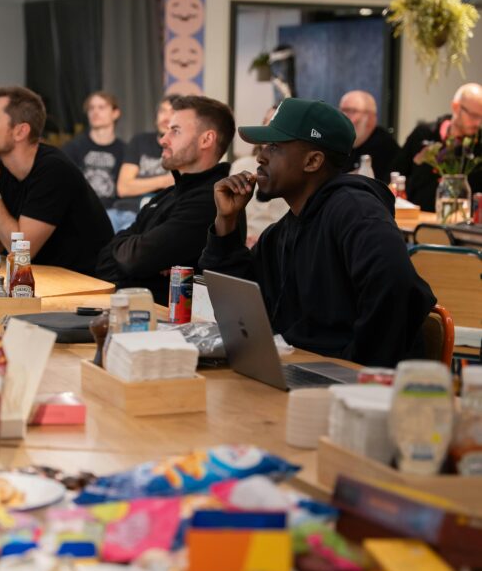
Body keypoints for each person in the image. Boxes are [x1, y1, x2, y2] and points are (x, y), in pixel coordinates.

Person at [199, 98, 435, 367]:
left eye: (274, 147)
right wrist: (227, 221)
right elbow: (241, 304)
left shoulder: (355, 210)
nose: (261, 156)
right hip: (302, 371)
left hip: (361, 389)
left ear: (312, 161)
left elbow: (396, 285)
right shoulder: (284, 230)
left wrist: (352, 369)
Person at [95, 94, 237, 305]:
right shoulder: (168, 195)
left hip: (171, 329)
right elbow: (104, 260)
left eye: (175, 131)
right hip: (133, 312)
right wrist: (131, 251)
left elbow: (136, 261)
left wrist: (130, 248)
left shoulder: (211, 200)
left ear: (206, 139)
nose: (163, 139)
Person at [0, 85, 113, 274]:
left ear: (20, 132)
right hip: (43, 281)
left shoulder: (54, 170)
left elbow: (21, 252)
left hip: (87, 285)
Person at [394, 82, 482, 210]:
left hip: (460, 225)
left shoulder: (478, 146)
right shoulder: (423, 134)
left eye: (481, 117)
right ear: (456, 107)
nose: (478, 123)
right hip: (415, 220)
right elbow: (395, 173)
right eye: (474, 116)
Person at [231, 106, 289, 247]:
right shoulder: (241, 166)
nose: (260, 158)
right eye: (265, 122)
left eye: (273, 125)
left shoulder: (293, 174)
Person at [113, 95, 177, 222]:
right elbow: (123, 188)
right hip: (121, 209)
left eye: (172, 112)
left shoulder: (184, 149)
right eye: (162, 111)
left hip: (152, 215)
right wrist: (164, 181)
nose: (166, 118)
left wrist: (139, 184)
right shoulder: (140, 141)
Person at [62, 92, 125, 209]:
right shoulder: (73, 147)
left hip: (113, 212)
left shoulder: (124, 150)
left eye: (101, 107)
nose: (95, 112)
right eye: (91, 108)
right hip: (79, 210)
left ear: (115, 113)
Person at [339, 90, 399, 182]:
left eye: (351, 111)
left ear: (370, 118)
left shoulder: (384, 146)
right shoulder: (340, 143)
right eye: (341, 110)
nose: (343, 116)